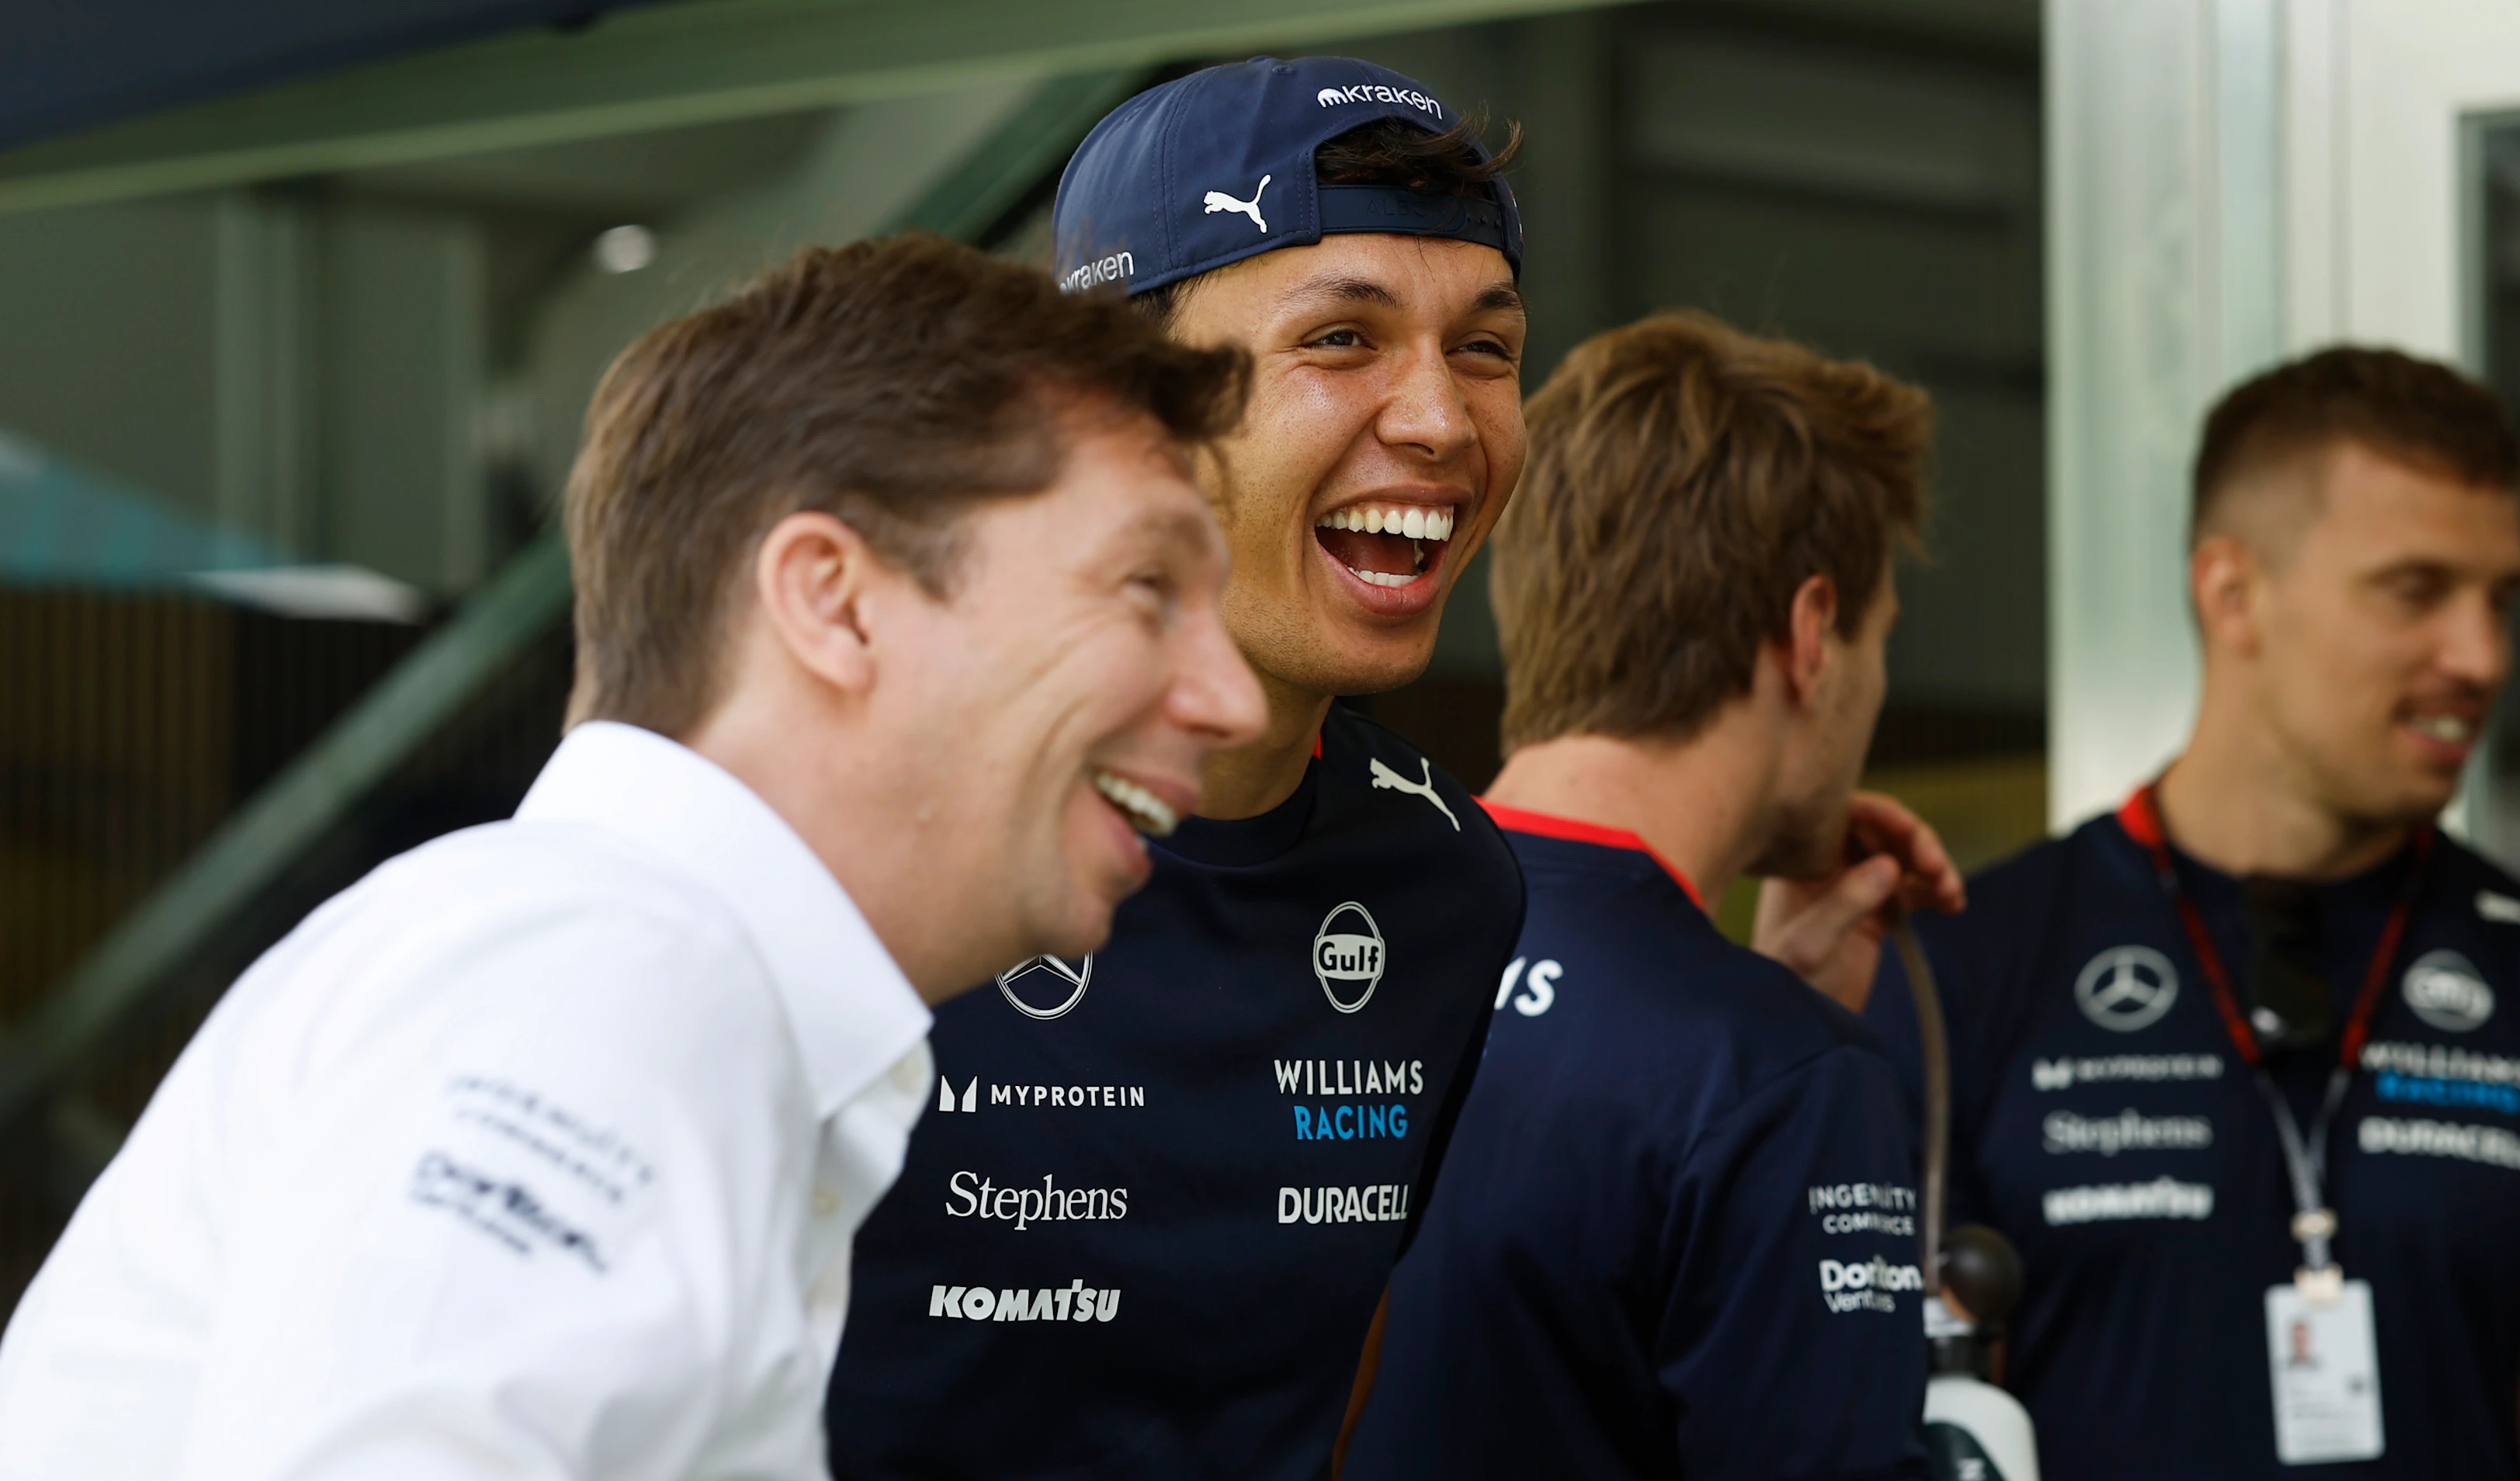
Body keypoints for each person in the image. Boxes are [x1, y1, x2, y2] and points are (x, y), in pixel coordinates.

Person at [0, 234, 1265, 1479]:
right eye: (1147, 585)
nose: (1231, 698)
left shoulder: (610, 959)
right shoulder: (611, 969)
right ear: (833, 600)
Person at [825, 55, 1530, 1480]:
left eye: (1488, 348)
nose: (1444, 422)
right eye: (1342, 340)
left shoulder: (1448, 883)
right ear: (1121, 402)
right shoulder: (856, 841)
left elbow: (1320, 1372)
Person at [1864, 347, 2520, 1479]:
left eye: (2501, 600)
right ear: (2234, 594)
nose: (2480, 656)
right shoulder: (1967, 970)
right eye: (2416, 591)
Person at [1338, 314, 1961, 1479]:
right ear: (1813, 635)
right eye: (1880, 640)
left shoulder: (1312, 943)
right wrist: (1784, 1051)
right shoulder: (1779, 1082)